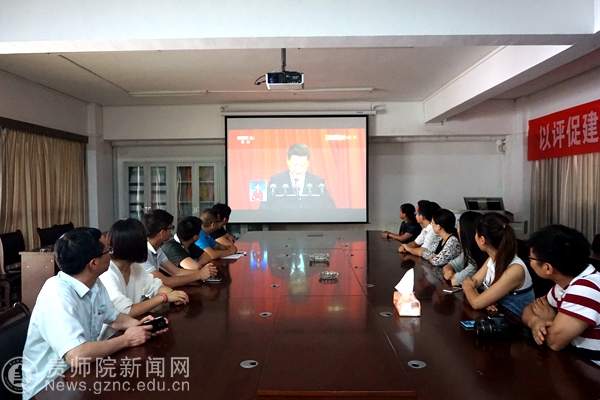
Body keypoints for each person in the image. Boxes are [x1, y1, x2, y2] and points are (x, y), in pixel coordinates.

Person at [22, 228, 167, 400]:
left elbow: (114, 317)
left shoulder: (94, 282)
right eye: (108, 250)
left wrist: (141, 326)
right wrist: (126, 340)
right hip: (51, 387)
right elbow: (76, 355)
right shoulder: (57, 295)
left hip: (82, 375)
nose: (112, 254)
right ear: (93, 263)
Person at [522, 225, 599, 365]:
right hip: (576, 361)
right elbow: (529, 309)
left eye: (531, 258)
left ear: (547, 268)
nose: (529, 261)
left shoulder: (585, 288)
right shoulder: (564, 283)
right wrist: (535, 321)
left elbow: (554, 342)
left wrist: (552, 318)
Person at [462, 212, 534, 319]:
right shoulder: (492, 259)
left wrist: (468, 288)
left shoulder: (515, 269)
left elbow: (475, 301)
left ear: (482, 240)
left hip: (516, 324)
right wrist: (483, 298)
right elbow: (474, 283)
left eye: (476, 233)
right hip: (497, 318)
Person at [140, 209, 216, 287]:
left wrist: (204, 272)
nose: (171, 231)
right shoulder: (140, 254)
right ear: (162, 233)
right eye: (171, 228)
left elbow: (177, 272)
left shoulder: (157, 250)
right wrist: (199, 275)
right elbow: (166, 282)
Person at [260, 143, 335, 209]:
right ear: (287, 160)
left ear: (308, 163)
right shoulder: (276, 180)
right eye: (295, 164)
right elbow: (264, 206)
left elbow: (330, 208)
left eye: (302, 165)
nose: (298, 169)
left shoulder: (317, 182)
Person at [443, 211, 488, 286]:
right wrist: (449, 272)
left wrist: (452, 276)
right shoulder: (469, 251)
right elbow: (449, 265)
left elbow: (455, 281)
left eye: (458, 227)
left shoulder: (479, 257)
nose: (457, 230)